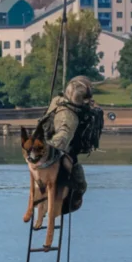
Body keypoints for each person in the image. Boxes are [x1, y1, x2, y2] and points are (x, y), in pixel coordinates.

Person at [42, 75, 95, 205]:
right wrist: (51, 150)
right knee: (80, 186)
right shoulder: (70, 116)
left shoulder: (57, 101)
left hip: (48, 150)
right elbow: (63, 135)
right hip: (59, 154)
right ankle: (61, 203)